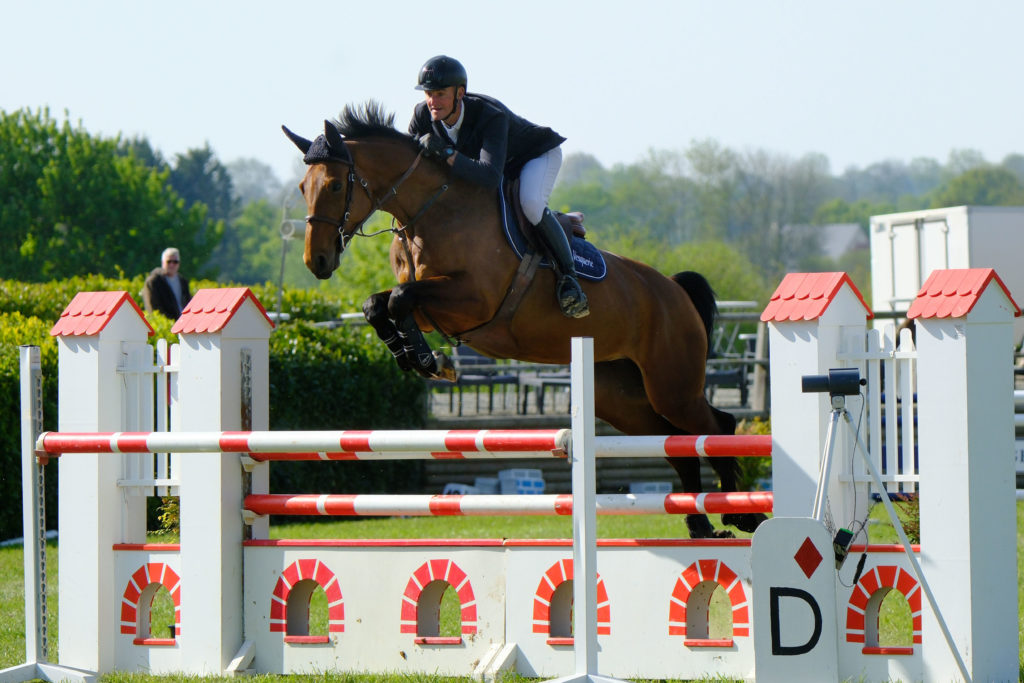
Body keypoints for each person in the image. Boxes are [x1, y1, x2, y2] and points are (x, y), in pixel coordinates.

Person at [408, 55, 589, 318]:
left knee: (531, 204)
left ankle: (569, 280)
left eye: (440, 94)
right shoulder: (422, 115)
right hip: (498, 167)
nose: (433, 102)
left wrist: (446, 152)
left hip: (534, 156)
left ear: (460, 93)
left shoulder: (489, 115)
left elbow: (489, 176)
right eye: (428, 94)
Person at [142, 247, 191, 319]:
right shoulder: (153, 282)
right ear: (163, 262)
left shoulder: (183, 282)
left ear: (179, 263)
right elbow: (153, 309)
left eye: (175, 262)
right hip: (165, 323)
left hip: (185, 322)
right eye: (169, 261)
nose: (172, 265)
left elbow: (188, 303)